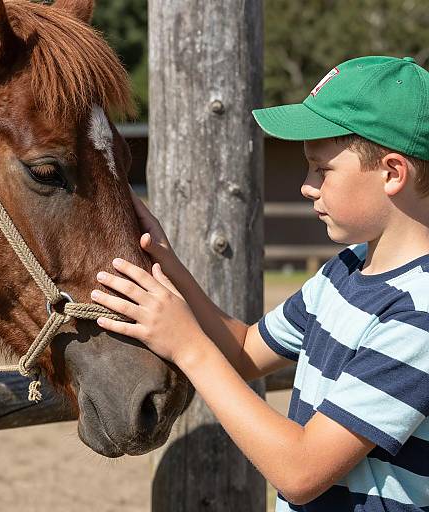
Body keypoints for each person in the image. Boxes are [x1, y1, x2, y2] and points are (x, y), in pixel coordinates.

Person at [90, 55, 429, 511]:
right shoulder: (345, 270)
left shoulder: (419, 314)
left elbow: (301, 471)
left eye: (321, 169)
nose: (307, 187)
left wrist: (188, 347)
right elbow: (247, 351)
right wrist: (167, 263)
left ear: (391, 172)